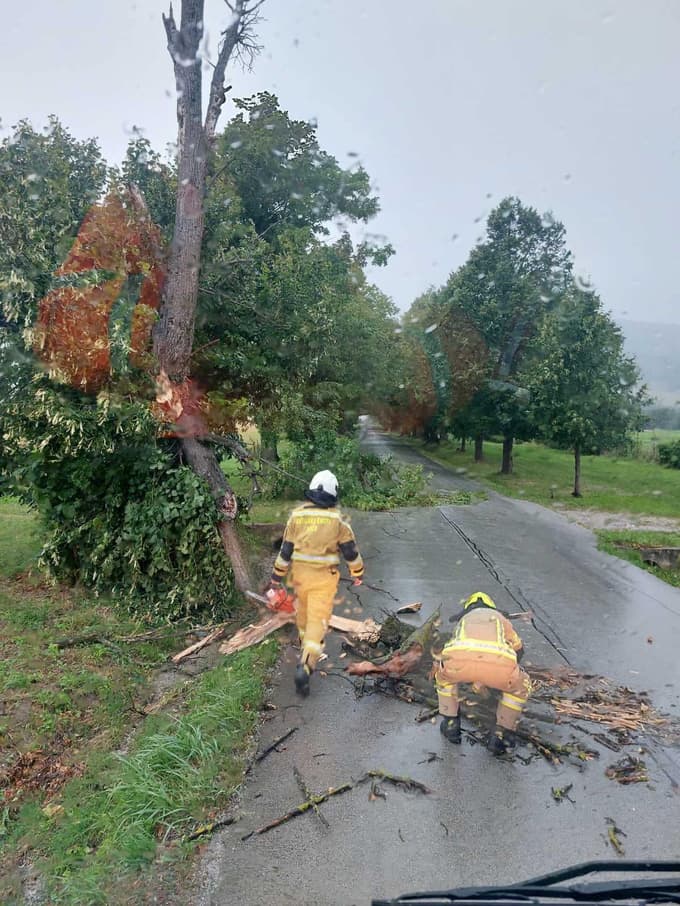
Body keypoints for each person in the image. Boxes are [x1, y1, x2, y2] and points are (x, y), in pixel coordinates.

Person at [269, 469, 364, 696]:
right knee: (316, 623)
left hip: (300, 578)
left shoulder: (296, 517)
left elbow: (285, 551)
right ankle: (306, 665)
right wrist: (358, 573)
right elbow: (350, 552)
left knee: (303, 616)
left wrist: (275, 578)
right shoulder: (338, 521)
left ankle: (306, 650)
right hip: (324, 580)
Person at [434, 591, 530, 755]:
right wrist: (503, 676)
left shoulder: (463, 621)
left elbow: (458, 649)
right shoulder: (500, 619)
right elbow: (518, 648)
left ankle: (451, 724)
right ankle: (501, 735)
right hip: (499, 668)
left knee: (444, 679)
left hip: (457, 664)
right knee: (519, 688)